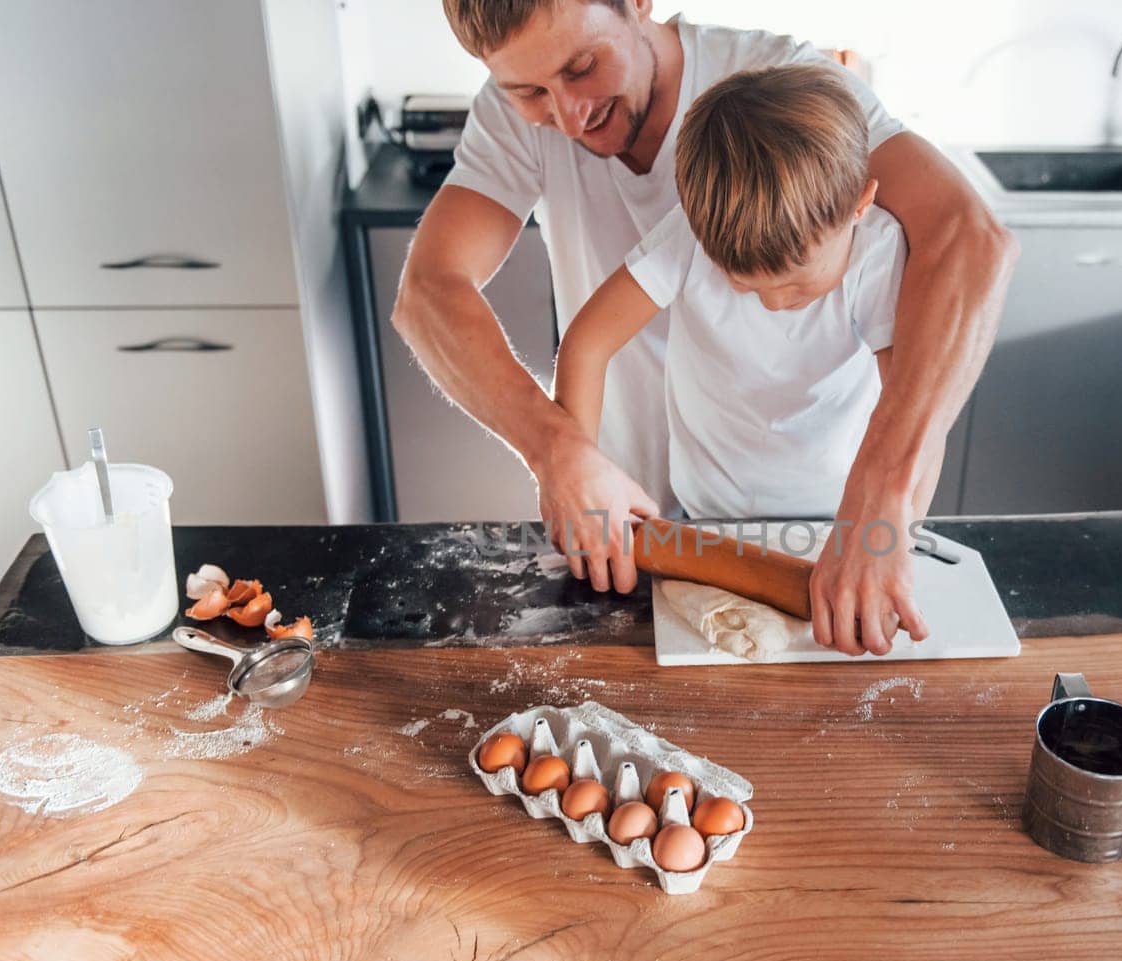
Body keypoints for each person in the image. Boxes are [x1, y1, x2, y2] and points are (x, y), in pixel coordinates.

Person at [392, 0, 1017, 656]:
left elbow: (968, 235)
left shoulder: (786, 90)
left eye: (582, 66)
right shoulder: (521, 118)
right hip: (638, 517)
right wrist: (559, 449)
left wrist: (883, 494)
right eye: (527, 91)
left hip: (824, 510)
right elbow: (428, 292)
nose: (568, 116)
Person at [554, 65, 928, 534]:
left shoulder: (878, 255)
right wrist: (578, 467)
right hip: (704, 511)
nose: (772, 304)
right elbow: (587, 345)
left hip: (838, 518)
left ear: (859, 204)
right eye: (743, 284)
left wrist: (898, 531)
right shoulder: (689, 236)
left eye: (796, 284)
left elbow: (913, 413)